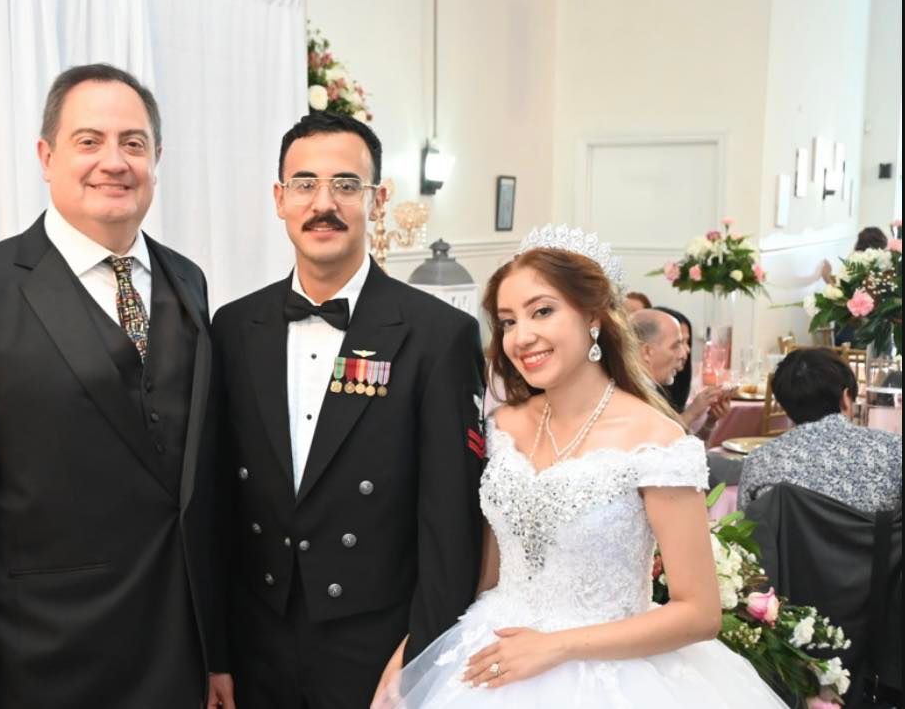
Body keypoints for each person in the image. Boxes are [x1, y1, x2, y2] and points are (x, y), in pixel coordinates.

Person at [0, 64, 227, 709]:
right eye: (88, 141)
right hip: (43, 666)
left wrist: (217, 650)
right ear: (46, 157)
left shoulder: (187, 280)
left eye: (134, 143)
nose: (114, 161)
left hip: (179, 660)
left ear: (157, 160)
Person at [377, 225, 785, 707]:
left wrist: (554, 647)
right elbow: (482, 574)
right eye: (507, 321)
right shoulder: (500, 427)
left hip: (611, 675)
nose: (521, 337)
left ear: (593, 316)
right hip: (489, 652)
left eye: (542, 312)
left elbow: (699, 613)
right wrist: (414, 654)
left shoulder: (656, 441)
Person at [211, 111, 486, 708]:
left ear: (377, 199)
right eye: (305, 184)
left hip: (377, 646)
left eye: (346, 185)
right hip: (257, 641)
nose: (323, 203)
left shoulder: (439, 335)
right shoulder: (233, 328)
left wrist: (420, 659)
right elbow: (218, 507)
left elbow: (449, 524)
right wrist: (217, 654)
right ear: (280, 199)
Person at [738, 347, 901, 512]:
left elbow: (745, 531)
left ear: (785, 405)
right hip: (875, 539)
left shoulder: (760, 462)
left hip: (791, 539)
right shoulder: (895, 450)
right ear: (845, 398)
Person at [635, 307, 731, 438]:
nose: (684, 353)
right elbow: (660, 444)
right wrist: (692, 413)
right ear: (646, 351)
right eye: (676, 346)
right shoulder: (631, 395)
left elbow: (687, 450)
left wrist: (710, 420)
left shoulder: (652, 390)